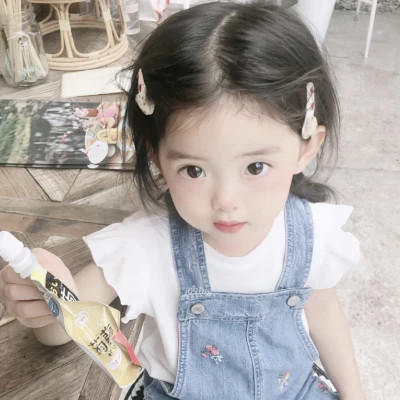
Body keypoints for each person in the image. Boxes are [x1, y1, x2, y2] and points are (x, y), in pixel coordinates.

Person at [0, 2, 366, 399]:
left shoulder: (312, 234)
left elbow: (323, 314)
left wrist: (355, 394)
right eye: (194, 170)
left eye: (256, 167)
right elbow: (58, 333)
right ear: (158, 158)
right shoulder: (147, 245)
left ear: (306, 148)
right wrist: (49, 293)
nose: (226, 200)